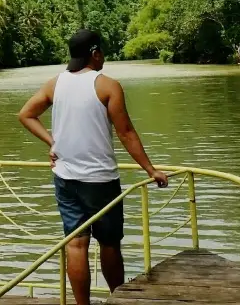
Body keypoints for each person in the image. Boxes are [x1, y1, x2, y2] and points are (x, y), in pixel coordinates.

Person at [18, 29, 168, 305]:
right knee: (109, 244)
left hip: (64, 177)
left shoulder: (55, 84)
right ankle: (117, 299)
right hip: (100, 180)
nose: (104, 59)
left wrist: (53, 142)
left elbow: (26, 114)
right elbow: (126, 133)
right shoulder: (107, 85)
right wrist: (151, 170)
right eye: (102, 53)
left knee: (76, 244)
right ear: (95, 54)